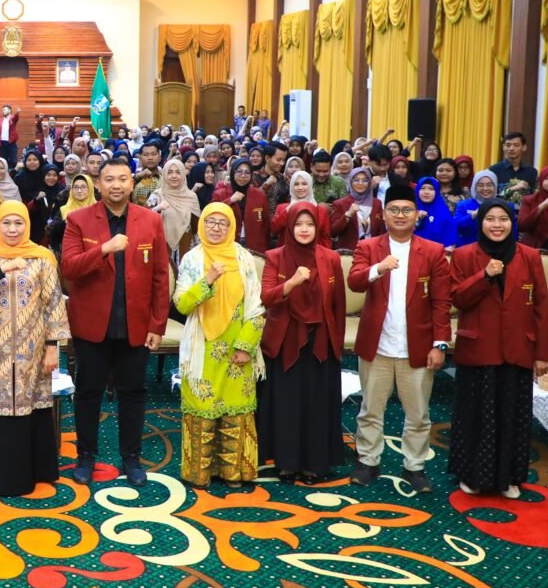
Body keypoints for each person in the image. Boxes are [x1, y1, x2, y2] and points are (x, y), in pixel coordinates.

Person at [60, 158, 169, 487]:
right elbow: (69, 268)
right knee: (88, 392)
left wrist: (157, 325)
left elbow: (160, 277)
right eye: (109, 179)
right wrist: (104, 249)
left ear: (132, 183)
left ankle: (131, 457)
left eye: (123, 179)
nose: (116, 185)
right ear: (99, 183)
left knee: (133, 393)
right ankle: (86, 456)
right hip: (92, 326)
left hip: (136, 325)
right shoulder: (78, 220)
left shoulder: (150, 220)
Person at [347, 184, 452, 494]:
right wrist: (379, 268)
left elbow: (442, 302)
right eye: (394, 210)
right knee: (370, 410)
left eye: (407, 210)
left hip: (416, 347)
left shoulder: (432, 251)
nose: (401, 215)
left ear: (416, 214)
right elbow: (355, 282)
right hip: (377, 345)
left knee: (418, 414)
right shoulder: (368, 247)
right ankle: (368, 461)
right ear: (383, 214)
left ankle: (414, 466)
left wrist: (440, 344)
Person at [0, 201, 69, 496]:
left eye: (18, 223)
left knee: (29, 404)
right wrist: (0, 270)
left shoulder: (42, 257)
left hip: (31, 347)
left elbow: (53, 303)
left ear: (27, 224)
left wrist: (52, 347)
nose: (12, 229)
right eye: (6, 223)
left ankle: (32, 472)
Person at [448, 198, 548, 498]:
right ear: (480, 222)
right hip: (478, 349)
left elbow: (541, 306)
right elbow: (457, 298)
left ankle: (508, 478)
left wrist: (542, 354)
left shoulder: (529, 256)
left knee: (511, 415)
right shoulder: (464, 255)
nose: (497, 225)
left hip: (517, 349)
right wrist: (484, 276)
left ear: (512, 222)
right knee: (475, 415)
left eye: (503, 219)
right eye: (490, 219)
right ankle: (473, 476)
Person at [173, 203, 265, 489]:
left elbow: (256, 306)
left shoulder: (243, 257)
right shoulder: (192, 258)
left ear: (232, 227)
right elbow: (181, 304)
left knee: (235, 412)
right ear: (201, 225)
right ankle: (199, 474)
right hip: (202, 348)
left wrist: (245, 346)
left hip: (238, 345)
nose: (215, 227)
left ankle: (233, 473)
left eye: (222, 223)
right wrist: (208, 280)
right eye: (210, 222)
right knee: (201, 411)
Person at [256, 204, 347, 484]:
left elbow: (338, 305)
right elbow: (267, 297)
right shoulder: (275, 256)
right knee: (288, 403)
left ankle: (313, 464)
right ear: (289, 227)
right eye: (298, 224)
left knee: (316, 403)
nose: (304, 229)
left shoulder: (330, 258)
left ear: (317, 227)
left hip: (321, 340)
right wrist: (292, 282)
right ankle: (286, 463)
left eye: (309, 224)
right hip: (286, 339)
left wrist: (337, 344)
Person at [212, 160, 272, 255]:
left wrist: (263, 245)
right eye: (239, 172)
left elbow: (265, 223)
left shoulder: (259, 194)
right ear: (232, 173)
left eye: (247, 172)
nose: (243, 176)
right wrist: (230, 200)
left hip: (254, 245)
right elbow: (212, 214)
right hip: (228, 243)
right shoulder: (220, 194)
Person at [149, 158, 201, 258]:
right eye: (169, 172)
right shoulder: (156, 195)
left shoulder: (191, 197)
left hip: (186, 246)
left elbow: (196, 227)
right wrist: (157, 208)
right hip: (161, 245)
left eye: (178, 172)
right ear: (164, 175)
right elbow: (144, 219)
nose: (174, 176)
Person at [272, 171, 336, 248]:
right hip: (287, 253)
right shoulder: (282, 208)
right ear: (291, 186)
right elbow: (274, 230)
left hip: (313, 253)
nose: (300, 188)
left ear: (310, 185)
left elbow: (326, 238)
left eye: (304, 184)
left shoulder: (321, 210)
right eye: (296, 184)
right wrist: (288, 209)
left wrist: (325, 254)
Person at [331, 167, 385, 251]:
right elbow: (333, 232)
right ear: (350, 182)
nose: (360, 183)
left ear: (369, 182)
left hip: (373, 250)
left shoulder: (376, 203)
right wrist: (348, 214)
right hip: (349, 253)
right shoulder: (340, 204)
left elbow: (381, 231)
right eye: (356, 180)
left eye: (365, 180)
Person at [489, 132, 539, 207]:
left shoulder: (531, 171)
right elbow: (491, 197)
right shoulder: (493, 171)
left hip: (524, 213)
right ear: (503, 147)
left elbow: (536, 198)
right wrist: (514, 188)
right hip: (501, 211)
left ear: (524, 147)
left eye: (516, 145)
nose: (511, 148)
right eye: (508, 145)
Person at [455, 170, 501, 247]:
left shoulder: (504, 206)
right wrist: (472, 216)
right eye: (480, 185)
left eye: (489, 185)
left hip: (497, 248)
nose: (485, 188)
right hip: (468, 248)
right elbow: (456, 227)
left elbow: (511, 233)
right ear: (474, 187)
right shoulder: (464, 205)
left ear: (495, 186)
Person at [414, 177, 456, 250]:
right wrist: (417, 219)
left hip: (438, 253)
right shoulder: (409, 209)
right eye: (422, 188)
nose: (426, 192)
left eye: (431, 189)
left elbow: (450, 236)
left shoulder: (443, 211)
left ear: (436, 191)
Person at [131, 141, 163, 207]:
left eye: (154, 154)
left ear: (160, 158)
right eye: (146, 155)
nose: (150, 158)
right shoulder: (133, 179)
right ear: (140, 158)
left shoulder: (166, 179)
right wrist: (138, 176)